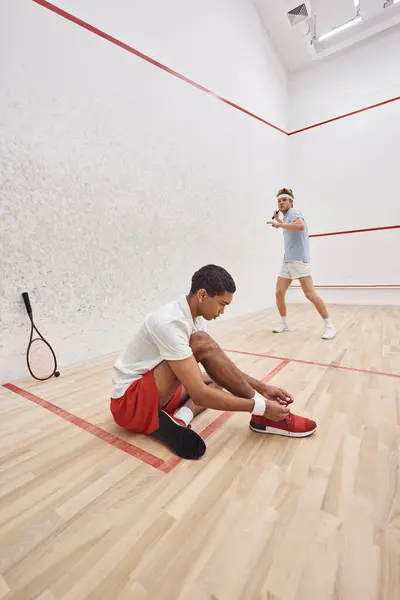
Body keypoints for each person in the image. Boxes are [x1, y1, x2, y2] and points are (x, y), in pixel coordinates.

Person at [110, 264, 316, 459]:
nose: (222, 311)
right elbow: (199, 394)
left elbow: (220, 370)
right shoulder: (168, 322)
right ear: (202, 295)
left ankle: (180, 418)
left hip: (155, 392)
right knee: (202, 349)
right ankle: (264, 416)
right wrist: (260, 407)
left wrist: (263, 388)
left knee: (217, 379)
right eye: (222, 304)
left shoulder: (195, 318)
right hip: (130, 404)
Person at [267, 188, 337, 340]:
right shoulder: (286, 218)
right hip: (287, 261)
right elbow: (289, 228)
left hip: (298, 260)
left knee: (310, 294)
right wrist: (279, 221)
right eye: (279, 200)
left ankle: (330, 326)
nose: (281, 202)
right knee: (279, 292)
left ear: (291, 202)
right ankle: (284, 323)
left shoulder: (294, 213)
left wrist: (280, 225)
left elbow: (300, 226)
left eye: (284, 200)